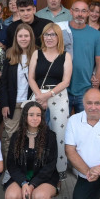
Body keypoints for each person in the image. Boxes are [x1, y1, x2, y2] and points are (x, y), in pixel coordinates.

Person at [28, 23, 72, 182]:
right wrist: (40, 96)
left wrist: (48, 95)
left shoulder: (65, 55)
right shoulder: (36, 54)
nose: (49, 38)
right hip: (37, 95)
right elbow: (31, 77)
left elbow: (66, 81)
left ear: (59, 37)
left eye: (53, 35)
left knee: (59, 135)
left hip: (58, 96)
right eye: (47, 35)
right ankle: (34, 169)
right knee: (34, 133)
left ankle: (58, 173)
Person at [5, 101, 58, 199]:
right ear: (25, 117)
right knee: (11, 197)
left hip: (45, 177)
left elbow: (50, 165)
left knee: (40, 197)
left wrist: (32, 184)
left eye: (38, 115)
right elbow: (11, 165)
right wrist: (24, 183)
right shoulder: (16, 136)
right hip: (22, 176)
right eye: (31, 115)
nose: (35, 118)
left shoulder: (50, 136)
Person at [0, 23, 36, 166]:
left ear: (31, 37)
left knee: (30, 136)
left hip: (30, 103)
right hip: (13, 104)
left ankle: (27, 166)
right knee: (10, 137)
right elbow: (4, 83)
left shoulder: (37, 54)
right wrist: (4, 104)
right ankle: (10, 168)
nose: (23, 39)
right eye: (20, 36)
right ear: (16, 38)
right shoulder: (10, 55)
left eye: (26, 36)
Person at [65, 0, 100, 114]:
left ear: (88, 13)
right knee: (60, 129)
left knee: (86, 126)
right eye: (77, 10)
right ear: (71, 11)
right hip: (62, 90)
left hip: (86, 90)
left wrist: (95, 88)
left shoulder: (95, 34)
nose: (80, 14)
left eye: (84, 11)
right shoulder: (62, 31)